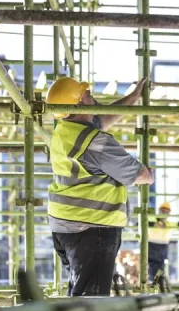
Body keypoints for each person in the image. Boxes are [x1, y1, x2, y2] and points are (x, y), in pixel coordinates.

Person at [46, 77, 154, 296]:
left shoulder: (65, 129)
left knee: (80, 295)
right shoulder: (96, 143)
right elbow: (141, 175)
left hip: (66, 226)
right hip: (91, 228)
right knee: (92, 302)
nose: (89, 92)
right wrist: (149, 172)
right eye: (85, 92)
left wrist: (133, 97)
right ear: (78, 104)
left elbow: (103, 119)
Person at [147, 202, 179, 282]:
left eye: (167, 211)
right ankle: (153, 281)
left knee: (161, 266)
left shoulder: (168, 224)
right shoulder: (152, 219)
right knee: (152, 266)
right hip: (151, 246)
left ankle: (158, 281)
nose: (164, 213)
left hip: (163, 247)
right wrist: (155, 224)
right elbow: (143, 223)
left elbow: (178, 224)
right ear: (159, 211)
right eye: (163, 211)